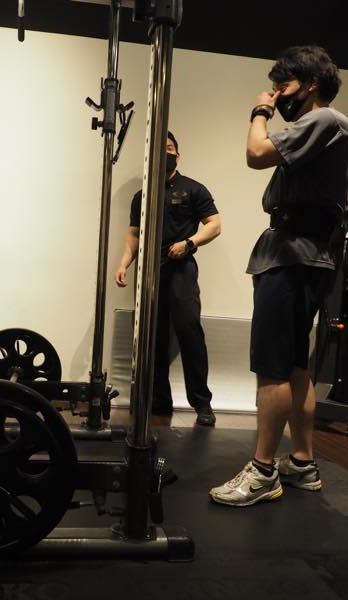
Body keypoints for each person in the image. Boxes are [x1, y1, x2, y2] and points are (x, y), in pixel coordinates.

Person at [210, 45, 348, 505]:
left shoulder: (324, 119)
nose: (276, 94)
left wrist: (259, 111)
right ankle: (302, 462)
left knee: (272, 367)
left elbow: (256, 153)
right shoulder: (319, 129)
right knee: (294, 368)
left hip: (294, 256)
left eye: (283, 86)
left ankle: (262, 471)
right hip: (297, 253)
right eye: (272, 90)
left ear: (311, 83)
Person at [115, 131, 222, 426]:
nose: (166, 153)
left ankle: (202, 404)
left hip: (181, 269)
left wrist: (189, 243)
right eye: (160, 149)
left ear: (178, 154)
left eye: (170, 148)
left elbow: (214, 225)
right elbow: (134, 234)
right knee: (153, 336)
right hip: (150, 270)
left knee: (189, 332)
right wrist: (124, 264)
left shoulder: (193, 189)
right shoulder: (142, 196)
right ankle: (159, 401)